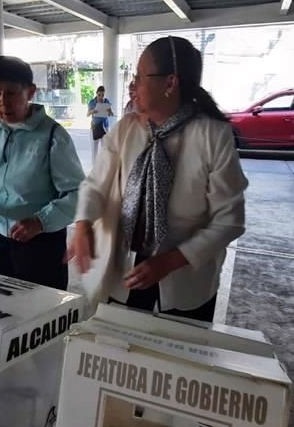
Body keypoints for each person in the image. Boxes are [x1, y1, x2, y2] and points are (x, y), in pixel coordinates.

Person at [67, 36, 248, 322]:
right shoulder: (125, 129)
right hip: (123, 268)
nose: (132, 84)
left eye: (139, 76)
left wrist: (170, 261)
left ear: (170, 83)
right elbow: (94, 185)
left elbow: (229, 220)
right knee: (118, 351)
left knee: (176, 358)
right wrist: (83, 224)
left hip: (185, 277)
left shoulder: (213, 136)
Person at [0, 56, 85, 290]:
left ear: (31, 92)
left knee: (44, 313)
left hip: (41, 244)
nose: (2, 101)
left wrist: (40, 221)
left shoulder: (52, 137)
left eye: (11, 93)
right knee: (7, 309)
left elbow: (77, 195)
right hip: (1, 240)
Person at [88, 86, 114, 160]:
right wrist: (92, 111)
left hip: (105, 127)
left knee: (105, 148)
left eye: (102, 95)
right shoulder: (92, 102)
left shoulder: (106, 102)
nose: (101, 97)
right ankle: (94, 168)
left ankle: (104, 167)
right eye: (99, 95)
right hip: (95, 127)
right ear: (96, 93)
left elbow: (110, 114)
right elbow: (87, 114)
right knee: (94, 149)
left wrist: (110, 112)